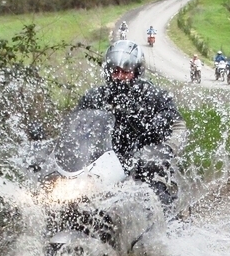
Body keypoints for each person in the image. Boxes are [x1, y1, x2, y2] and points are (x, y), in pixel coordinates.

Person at [76, 40, 187, 204]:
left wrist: (162, 149)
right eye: (115, 71)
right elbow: (76, 127)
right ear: (108, 72)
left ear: (136, 72)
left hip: (142, 164)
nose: (120, 77)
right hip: (102, 164)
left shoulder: (154, 96)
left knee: (156, 198)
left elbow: (177, 126)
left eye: (125, 72)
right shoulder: (95, 97)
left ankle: (169, 226)